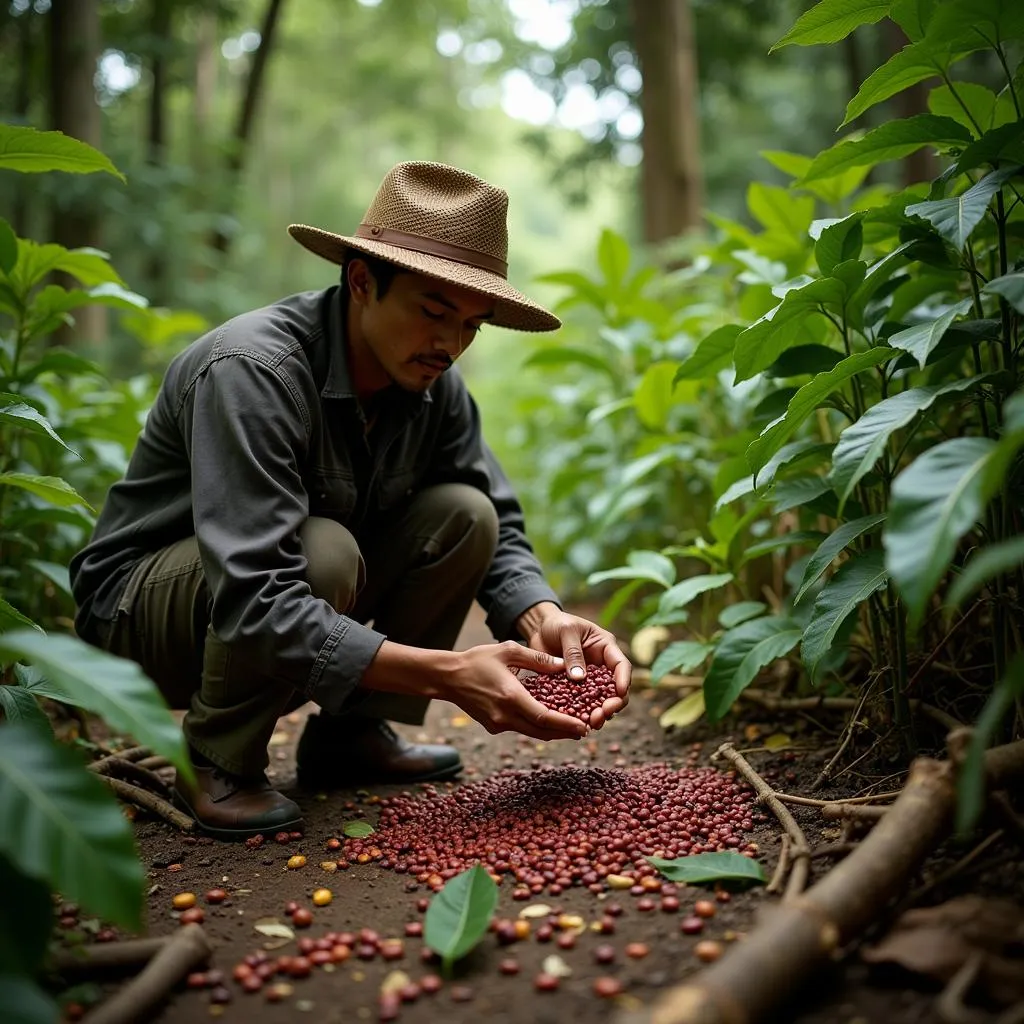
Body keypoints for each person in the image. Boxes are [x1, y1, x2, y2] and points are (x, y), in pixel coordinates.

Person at [70, 161, 632, 841]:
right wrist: (450, 674)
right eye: (433, 312)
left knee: (465, 515)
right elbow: (257, 594)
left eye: (472, 327)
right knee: (324, 551)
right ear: (362, 282)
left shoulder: (433, 385)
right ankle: (219, 761)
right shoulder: (255, 371)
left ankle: (349, 737)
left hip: (277, 596)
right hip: (141, 622)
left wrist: (544, 618)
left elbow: (495, 524)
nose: (450, 346)